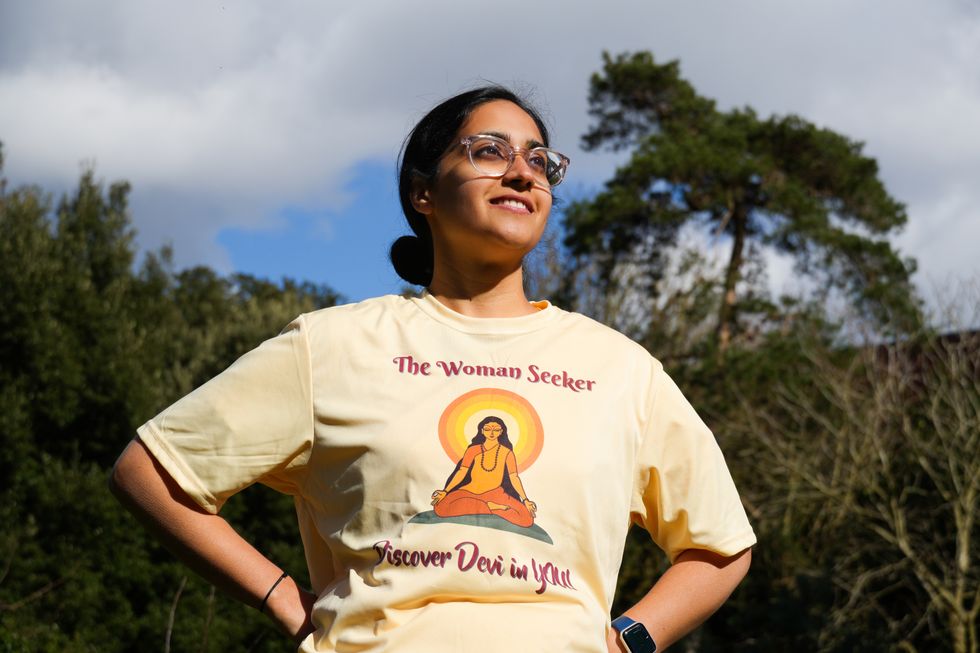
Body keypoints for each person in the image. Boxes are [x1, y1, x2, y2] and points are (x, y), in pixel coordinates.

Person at [110, 85, 755, 652]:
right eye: (490, 151)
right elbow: (151, 472)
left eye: (539, 160)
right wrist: (285, 600)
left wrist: (630, 640)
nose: (523, 174)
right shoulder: (334, 346)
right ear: (424, 191)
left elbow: (719, 544)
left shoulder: (621, 369)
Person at [431, 415, 537, 527]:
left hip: (496, 494)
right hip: (470, 491)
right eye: (487, 429)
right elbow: (462, 471)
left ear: (501, 432)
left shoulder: (507, 453)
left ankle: (482, 506)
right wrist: (445, 491)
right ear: (482, 431)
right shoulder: (473, 450)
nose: (491, 433)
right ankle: (491, 507)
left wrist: (525, 500)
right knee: (440, 507)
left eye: (496, 430)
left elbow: (514, 477)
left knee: (526, 518)